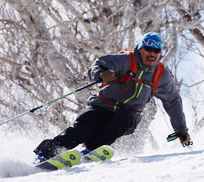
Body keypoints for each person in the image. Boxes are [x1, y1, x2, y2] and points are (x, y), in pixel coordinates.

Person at [34, 32, 191, 161]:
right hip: (101, 107)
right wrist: (102, 73)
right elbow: (98, 65)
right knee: (82, 130)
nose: (152, 54)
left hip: (128, 115)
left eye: (156, 51)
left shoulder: (160, 75)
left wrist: (181, 129)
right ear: (141, 49)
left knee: (123, 118)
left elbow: (173, 102)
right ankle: (46, 154)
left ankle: (91, 151)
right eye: (149, 49)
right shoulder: (125, 61)